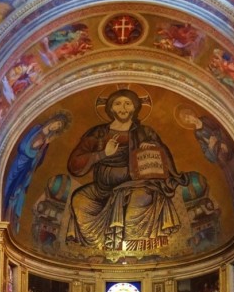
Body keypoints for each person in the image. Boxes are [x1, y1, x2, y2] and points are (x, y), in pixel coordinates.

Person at [66, 88, 188, 251]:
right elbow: (75, 164)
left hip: (137, 184)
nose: (122, 108)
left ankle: (136, 249)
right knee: (79, 199)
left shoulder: (145, 132)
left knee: (140, 199)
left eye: (127, 104)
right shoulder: (98, 133)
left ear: (135, 107)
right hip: (103, 189)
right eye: (117, 104)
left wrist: (153, 146)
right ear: (110, 108)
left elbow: (164, 159)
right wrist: (103, 154)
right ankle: (97, 248)